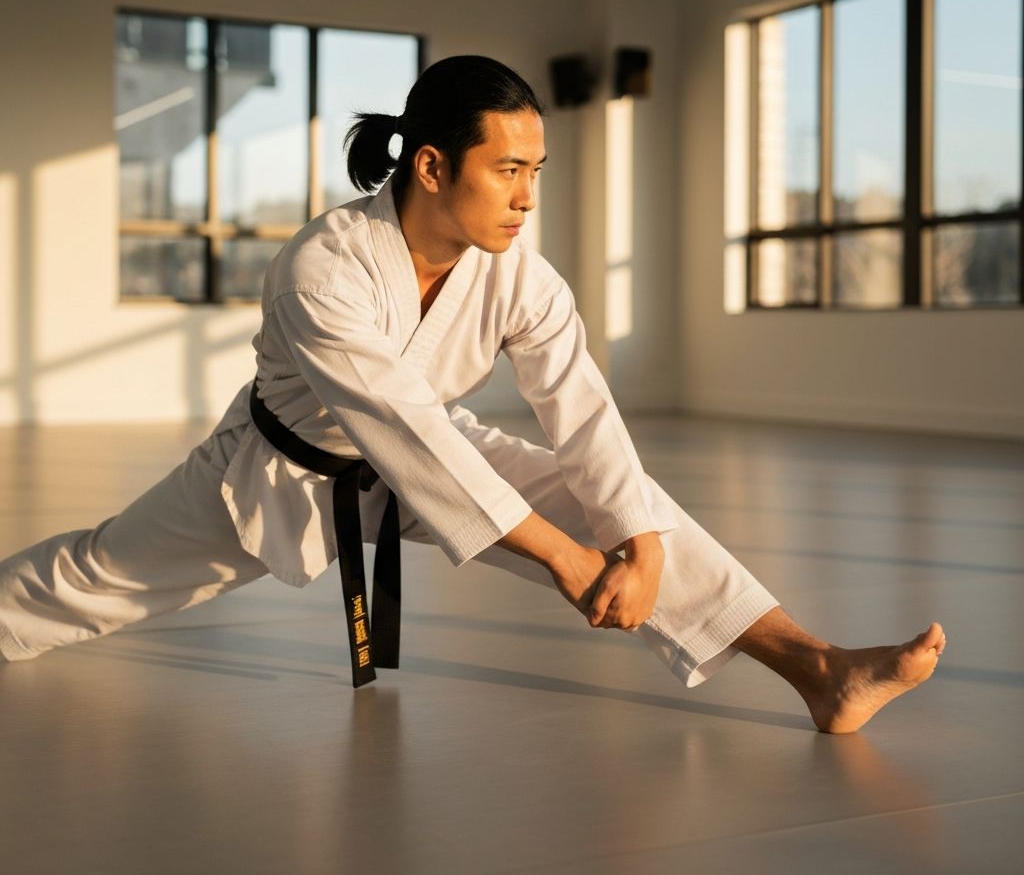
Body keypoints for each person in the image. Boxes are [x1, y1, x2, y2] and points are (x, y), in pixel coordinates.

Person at [0, 55, 944, 732]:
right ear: (432, 166)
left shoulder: (517, 273)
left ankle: (821, 671)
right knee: (94, 578)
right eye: (508, 170)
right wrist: (567, 560)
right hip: (282, 470)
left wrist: (639, 540)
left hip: (429, 454)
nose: (527, 196)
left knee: (627, 509)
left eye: (535, 172)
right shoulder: (323, 269)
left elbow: (582, 410)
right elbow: (407, 435)